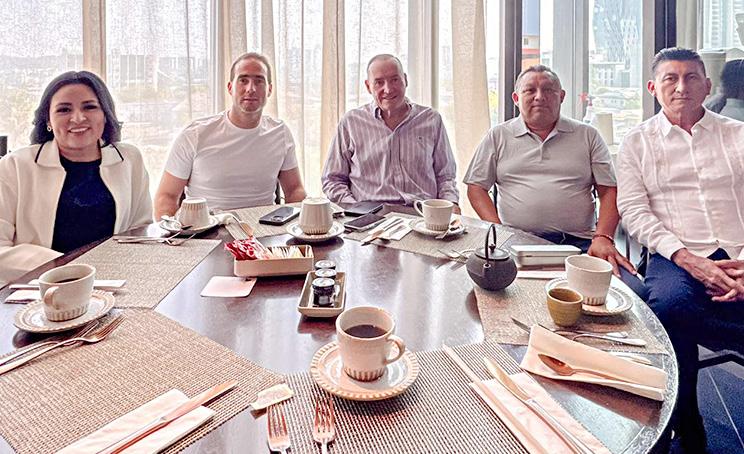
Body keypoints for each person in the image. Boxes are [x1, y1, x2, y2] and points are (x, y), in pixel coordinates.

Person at [617, 47, 744, 453]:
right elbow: (634, 212)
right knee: (670, 307)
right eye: (670, 79)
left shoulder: (737, 135)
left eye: (691, 78)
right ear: (653, 88)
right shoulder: (637, 142)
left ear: (707, 86)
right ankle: (687, 422)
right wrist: (688, 259)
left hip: (738, 249)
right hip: (675, 255)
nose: (681, 87)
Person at [464, 65, 635, 279]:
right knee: (488, 284)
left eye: (548, 90)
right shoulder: (498, 136)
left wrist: (603, 237)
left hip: (579, 244)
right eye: (530, 90)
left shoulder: (587, 135)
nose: (539, 97)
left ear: (561, 96)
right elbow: (476, 187)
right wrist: (498, 231)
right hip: (516, 244)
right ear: (516, 98)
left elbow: (609, 190)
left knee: (630, 289)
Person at [0, 71, 153, 286]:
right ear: (48, 120)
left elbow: (140, 230)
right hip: (39, 289)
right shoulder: (15, 166)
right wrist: (66, 265)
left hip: (113, 284)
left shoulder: (129, 159)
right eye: (64, 109)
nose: (78, 118)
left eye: (90, 107)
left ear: (105, 114)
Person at [154, 52, 306, 217]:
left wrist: (305, 220)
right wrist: (170, 230)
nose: (251, 89)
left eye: (259, 81)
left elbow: (294, 190)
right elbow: (166, 197)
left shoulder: (280, 133)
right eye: (243, 80)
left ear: (269, 90)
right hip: (206, 228)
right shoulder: (195, 134)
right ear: (230, 88)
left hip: (264, 227)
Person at [321, 54, 459, 208]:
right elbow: (332, 180)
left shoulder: (431, 119)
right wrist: (355, 209)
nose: (388, 89)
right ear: (368, 86)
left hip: (421, 214)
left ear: (405, 80)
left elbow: (446, 176)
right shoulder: (351, 122)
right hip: (369, 214)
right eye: (379, 82)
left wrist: (450, 206)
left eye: (395, 80)